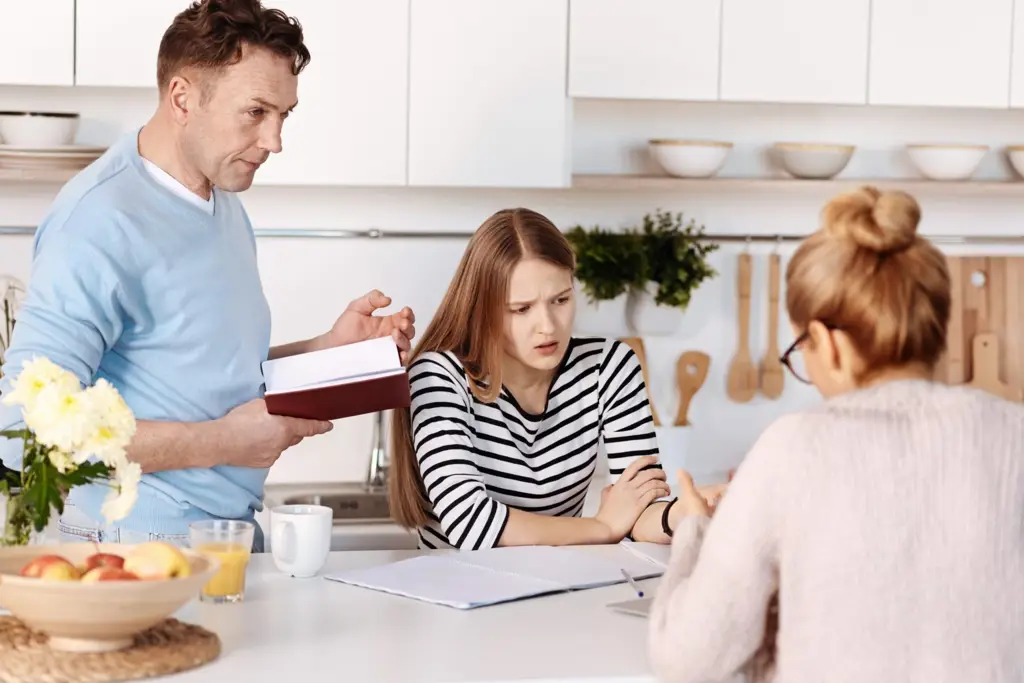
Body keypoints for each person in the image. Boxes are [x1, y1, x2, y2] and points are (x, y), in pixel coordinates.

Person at [0, 0, 415, 552]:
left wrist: (329, 350)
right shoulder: (99, 220)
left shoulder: (221, 203)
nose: (275, 141)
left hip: (222, 533)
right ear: (182, 98)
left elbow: (208, 375)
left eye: (284, 115)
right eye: (256, 112)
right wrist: (225, 441)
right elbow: (27, 433)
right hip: (134, 542)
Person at [647, 186, 1024, 683]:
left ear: (828, 343)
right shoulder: (1013, 433)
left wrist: (694, 532)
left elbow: (687, 660)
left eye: (801, 345)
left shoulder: (792, 446)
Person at [387, 207, 690, 551]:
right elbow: (470, 523)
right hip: (454, 595)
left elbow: (639, 509)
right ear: (481, 308)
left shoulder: (610, 366)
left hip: (557, 591)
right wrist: (602, 527)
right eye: (521, 309)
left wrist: (681, 516)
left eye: (560, 299)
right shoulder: (440, 375)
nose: (548, 325)